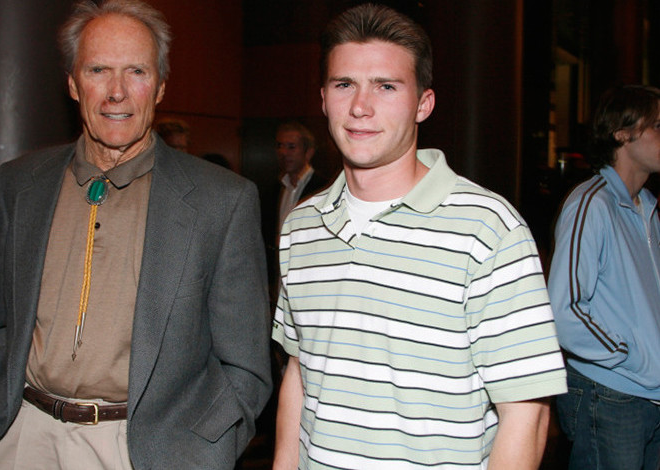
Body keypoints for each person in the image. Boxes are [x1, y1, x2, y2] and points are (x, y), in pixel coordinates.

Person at [0, 1, 271, 469]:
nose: (117, 92)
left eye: (136, 72)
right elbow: (0, 325)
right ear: (72, 83)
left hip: (141, 451)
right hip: (19, 436)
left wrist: (202, 450)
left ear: (160, 86)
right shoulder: (20, 184)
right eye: (98, 70)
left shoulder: (221, 201)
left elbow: (245, 366)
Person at [271, 4, 567, 469]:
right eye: (344, 84)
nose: (360, 106)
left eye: (386, 86)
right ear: (324, 98)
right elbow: (299, 372)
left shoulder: (488, 229)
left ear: (423, 104)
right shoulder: (301, 226)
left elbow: (526, 413)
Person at [547, 84, 660, 470]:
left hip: (646, 393)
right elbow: (564, 311)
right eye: (657, 126)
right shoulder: (591, 203)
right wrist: (631, 357)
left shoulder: (648, 209)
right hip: (610, 393)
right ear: (622, 133)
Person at [275, 121, 329, 231]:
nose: (283, 152)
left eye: (291, 147)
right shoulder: (275, 188)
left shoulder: (323, 188)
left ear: (309, 153)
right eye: (280, 146)